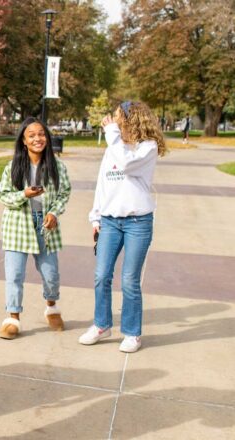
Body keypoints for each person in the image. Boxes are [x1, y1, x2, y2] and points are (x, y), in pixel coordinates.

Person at [79, 101, 166, 353]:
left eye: (117, 117)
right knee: (101, 275)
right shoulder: (113, 147)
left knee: (129, 279)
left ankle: (131, 333)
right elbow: (103, 183)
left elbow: (127, 164)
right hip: (110, 221)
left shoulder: (146, 148)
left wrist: (111, 135)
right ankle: (101, 324)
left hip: (137, 222)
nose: (113, 121)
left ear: (131, 120)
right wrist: (95, 217)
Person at [0, 117, 71, 340]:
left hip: (45, 225)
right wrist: (23, 195)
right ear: (23, 141)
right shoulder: (13, 168)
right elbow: (3, 196)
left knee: (50, 274)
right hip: (17, 225)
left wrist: (54, 213)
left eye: (41, 134)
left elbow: (64, 193)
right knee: (15, 274)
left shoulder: (57, 167)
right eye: (32, 135)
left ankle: (52, 306)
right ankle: (13, 319)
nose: (37, 138)